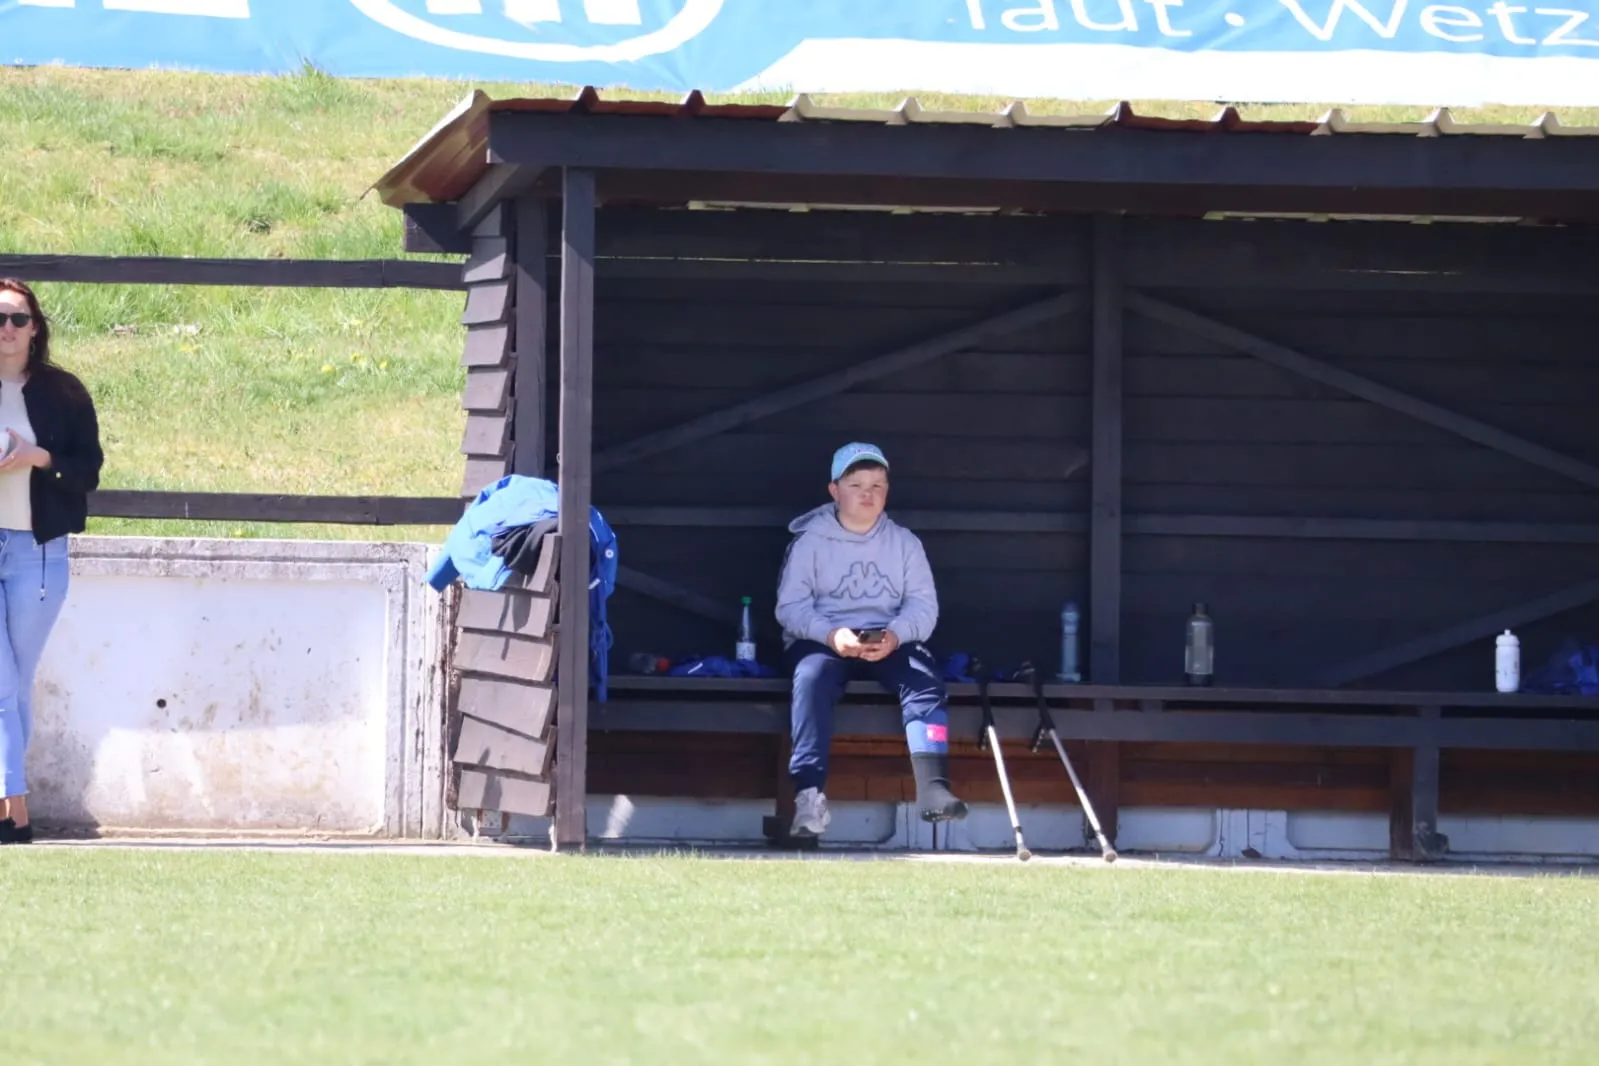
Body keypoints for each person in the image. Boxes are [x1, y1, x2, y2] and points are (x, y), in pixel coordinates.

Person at [775, 442, 967, 838]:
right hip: (824, 639)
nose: (868, 494)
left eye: (877, 485)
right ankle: (808, 797)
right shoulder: (810, 542)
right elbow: (790, 608)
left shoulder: (905, 543)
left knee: (925, 680)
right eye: (856, 485)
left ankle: (934, 789)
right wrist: (832, 635)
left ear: (887, 491)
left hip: (888, 638)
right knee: (811, 678)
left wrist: (896, 636)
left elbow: (923, 607)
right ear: (834, 490)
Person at [0, 280, 104, 845]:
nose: (7, 329)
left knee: (14, 685)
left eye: (18, 318)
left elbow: (88, 471)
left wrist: (38, 457)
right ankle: (12, 807)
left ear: (35, 327)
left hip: (37, 554)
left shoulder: (63, 393)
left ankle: (10, 809)